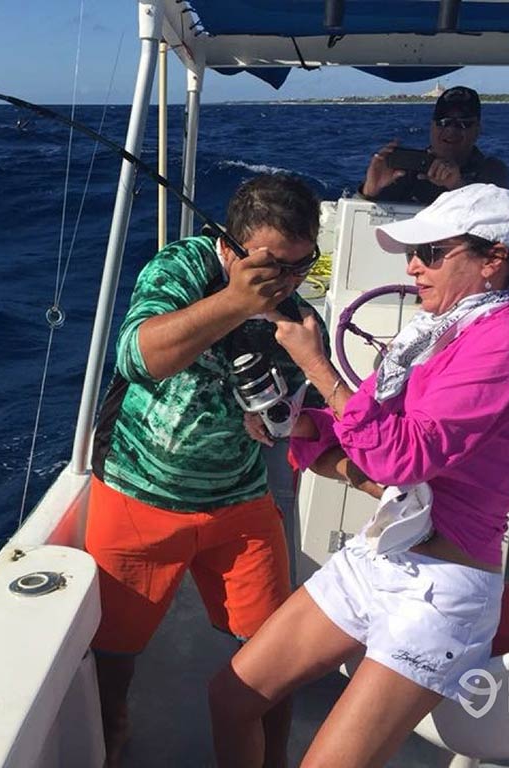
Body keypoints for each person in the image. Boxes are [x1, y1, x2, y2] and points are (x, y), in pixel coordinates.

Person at [209, 184, 509, 768]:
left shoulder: (505, 343)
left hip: (440, 592)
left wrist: (316, 364)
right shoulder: (433, 334)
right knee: (232, 697)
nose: (413, 266)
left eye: (431, 252)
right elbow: (360, 419)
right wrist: (302, 426)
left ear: (493, 261)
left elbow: (402, 457)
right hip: (379, 558)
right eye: (411, 253)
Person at [86, 173, 328, 768]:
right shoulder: (184, 268)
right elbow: (137, 356)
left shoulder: (296, 307)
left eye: (303, 265)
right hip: (139, 494)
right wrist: (236, 302)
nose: (287, 282)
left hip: (240, 501)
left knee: (273, 653)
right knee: (115, 654)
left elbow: (293, 408)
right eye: (272, 268)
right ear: (229, 247)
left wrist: (276, 419)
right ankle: (111, 735)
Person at [360, 86, 509, 205]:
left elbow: (498, 221)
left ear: (477, 129)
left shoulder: (492, 171)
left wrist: (457, 186)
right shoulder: (404, 171)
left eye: (463, 124)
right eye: (443, 122)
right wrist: (370, 190)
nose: (451, 130)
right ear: (431, 126)